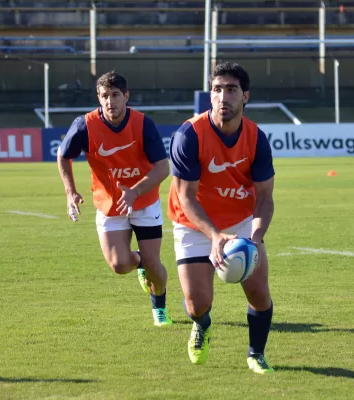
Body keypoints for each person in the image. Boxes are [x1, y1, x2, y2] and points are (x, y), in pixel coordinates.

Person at [168, 62, 275, 374]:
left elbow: (265, 196)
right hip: (194, 222)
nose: (223, 96)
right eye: (217, 89)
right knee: (197, 304)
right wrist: (214, 236)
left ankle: (256, 354)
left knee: (259, 294)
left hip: (240, 219)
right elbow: (186, 197)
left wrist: (255, 238)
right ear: (209, 95)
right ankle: (202, 325)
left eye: (231, 89)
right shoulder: (189, 135)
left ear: (245, 97)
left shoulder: (256, 138)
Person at [57, 71, 172, 327]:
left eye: (115, 95)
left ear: (126, 96)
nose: (110, 102)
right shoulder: (85, 125)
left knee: (155, 266)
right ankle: (139, 262)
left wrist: (135, 192)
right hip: (109, 203)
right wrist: (70, 192)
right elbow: (64, 156)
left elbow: (162, 168)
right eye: (104, 96)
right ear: (99, 98)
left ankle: (160, 308)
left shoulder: (143, 124)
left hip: (144, 201)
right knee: (120, 265)